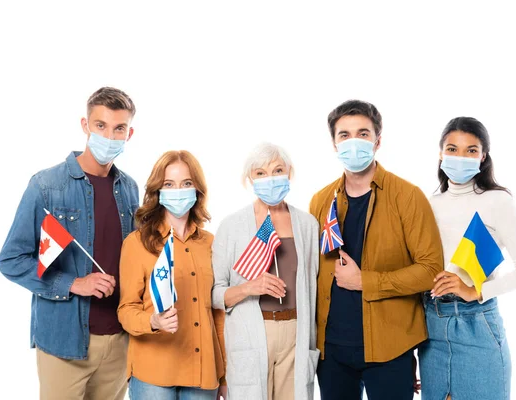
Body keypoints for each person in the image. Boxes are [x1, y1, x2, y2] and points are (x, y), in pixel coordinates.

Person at [0, 87, 139, 399]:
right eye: (100, 126)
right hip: (65, 342)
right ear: (85, 125)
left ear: (130, 133)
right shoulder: (47, 185)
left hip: (119, 340)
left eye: (119, 128)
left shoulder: (129, 188)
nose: (109, 136)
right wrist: (73, 283)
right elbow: (11, 260)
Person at [309, 99, 444, 400]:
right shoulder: (320, 201)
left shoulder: (407, 196)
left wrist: (364, 281)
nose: (353, 141)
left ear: (377, 141)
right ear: (333, 143)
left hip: (389, 347)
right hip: (332, 352)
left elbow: (430, 269)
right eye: (344, 135)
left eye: (363, 133)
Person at [418, 117, 516, 400]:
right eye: (452, 149)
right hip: (431, 325)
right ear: (440, 153)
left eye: (471, 150)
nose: (461, 157)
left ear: (483, 157)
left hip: (477, 326)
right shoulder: (428, 204)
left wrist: (475, 291)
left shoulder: (497, 201)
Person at [211, 142, 320, 400]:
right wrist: (249, 287)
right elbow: (215, 294)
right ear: (250, 178)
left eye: (277, 170)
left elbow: (315, 286)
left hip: (295, 334)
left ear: (289, 173)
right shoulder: (231, 225)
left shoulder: (307, 224)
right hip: (253, 331)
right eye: (260, 173)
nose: (269, 178)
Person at [118, 150, 227, 400]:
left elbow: (218, 314)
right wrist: (153, 322)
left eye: (186, 183)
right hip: (153, 374)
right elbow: (126, 310)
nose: (178, 190)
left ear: (197, 189)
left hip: (203, 374)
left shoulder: (212, 243)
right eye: (169, 184)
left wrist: (225, 374)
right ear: (158, 191)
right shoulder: (136, 243)